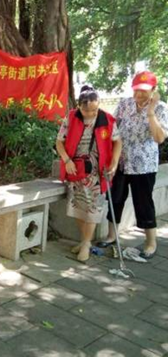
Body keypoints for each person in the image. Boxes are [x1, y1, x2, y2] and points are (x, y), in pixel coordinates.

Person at [97, 71, 168, 259]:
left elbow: (159, 138)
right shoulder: (124, 104)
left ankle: (151, 242)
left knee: (143, 202)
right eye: (136, 89)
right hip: (119, 161)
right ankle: (112, 235)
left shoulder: (161, 108)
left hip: (143, 165)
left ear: (153, 90)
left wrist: (150, 112)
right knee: (116, 198)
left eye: (144, 90)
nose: (139, 94)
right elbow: (112, 129)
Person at [56, 86, 121, 261]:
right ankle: (86, 240)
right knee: (78, 207)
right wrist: (67, 160)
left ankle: (85, 243)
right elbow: (59, 142)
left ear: (99, 104)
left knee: (93, 208)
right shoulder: (71, 118)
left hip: (98, 172)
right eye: (87, 110)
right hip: (76, 169)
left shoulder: (107, 120)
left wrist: (114, 163)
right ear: (79, 107)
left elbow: (117, 142)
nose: (91, 114)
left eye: (94, 109)